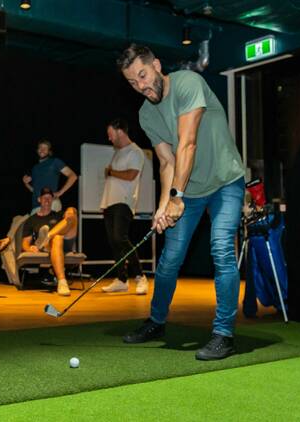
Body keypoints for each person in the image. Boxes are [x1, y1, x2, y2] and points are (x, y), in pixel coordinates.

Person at [118, 44, 245, 360]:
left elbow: (186, 144)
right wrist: (164, 205)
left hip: (226, 181)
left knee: (221, 249)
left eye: (144, 75)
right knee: (170, 257)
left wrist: (176, 197)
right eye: (133, 83)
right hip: (189, 189)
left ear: (157, 65)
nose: (142, 86)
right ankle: (156, 321)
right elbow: (166, 162)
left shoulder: (188, 82)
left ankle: (223, 334)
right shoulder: (146, 114)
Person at [99, 118, 149, 295]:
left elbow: (131, 175)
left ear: (120, 131)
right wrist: (104, 203)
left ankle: (140, 276)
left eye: (110, 134)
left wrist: (111, 171)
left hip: (124, 201)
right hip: (110, 203)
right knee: (114, 242)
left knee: (120, 238)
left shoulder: (135, 152)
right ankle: (121, 279)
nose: (109, 138)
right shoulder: (118, 152)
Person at [21, 188, 79, 296]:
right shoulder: (31, 220)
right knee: (57, 238)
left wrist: (70, 211)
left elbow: (70, 216)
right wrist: (29, 248)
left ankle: (48, 235)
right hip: (51, 246)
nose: (47, 200)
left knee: (72, 212)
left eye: (50, 198)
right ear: (39, 199)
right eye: (44, 198)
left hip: (66, 242)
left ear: (52, 200)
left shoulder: (58, 215)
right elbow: (25, 243)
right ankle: (62, 282)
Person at [22, 140, 78, 213]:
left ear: (49, 151)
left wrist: (60, 192)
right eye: (40, 147)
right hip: (35, 207)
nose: (42, 150)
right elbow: (34, 190)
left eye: (45, 148)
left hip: (51, 204)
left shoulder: (55, 162)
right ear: (37, 150)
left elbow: (73, 176)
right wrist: (25, 183)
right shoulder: (35, 168)